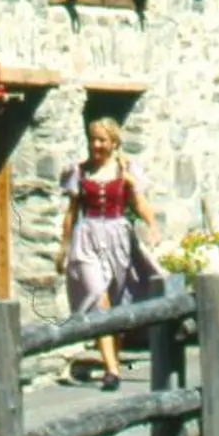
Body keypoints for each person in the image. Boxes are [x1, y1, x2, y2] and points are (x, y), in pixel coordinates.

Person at [56, 117, 160, 386]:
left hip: (118, 237)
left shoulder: (125, 171)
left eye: (102, 140)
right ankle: (111, 369)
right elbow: (71, 214)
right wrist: (63, 248)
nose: (96, 145)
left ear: (114, 143)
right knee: (98, 297)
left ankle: (113, 355)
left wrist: (153, 226)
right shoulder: (80, 172)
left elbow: (139, 203)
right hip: (87, 237)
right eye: (93, 140)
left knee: (117, 301)